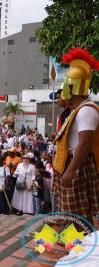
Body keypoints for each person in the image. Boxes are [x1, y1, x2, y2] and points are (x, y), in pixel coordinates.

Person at [53, 48, 99, 235]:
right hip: (70, 162)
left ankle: (87, 247)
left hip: (78, 165)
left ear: (72, 87)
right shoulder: (79, 109)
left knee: (80, 213)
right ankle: (81, 243)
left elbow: (85, 144)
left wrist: (71, 171)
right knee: (75, 213)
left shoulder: (87, 110)